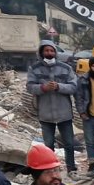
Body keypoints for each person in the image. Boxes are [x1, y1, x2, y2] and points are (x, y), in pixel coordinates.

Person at [26, 39, 78, 173]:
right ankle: (51, 168)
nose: (49, 53)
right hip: (45, 114)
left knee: (69, 144)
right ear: (42, 52)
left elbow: (73, 86)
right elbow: (30, 87)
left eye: (51, 50)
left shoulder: (66, 68)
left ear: (55, 52)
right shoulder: (35, 69)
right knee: (48, 145)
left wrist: (58, 86)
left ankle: (71, 168)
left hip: (64, 113)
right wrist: (43, 87)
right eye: (46, 50)